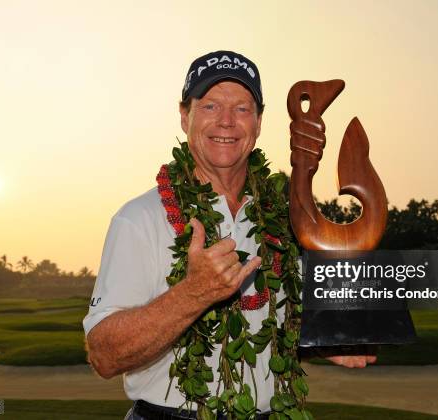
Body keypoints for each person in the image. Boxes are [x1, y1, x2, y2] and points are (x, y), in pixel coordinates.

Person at [83, 50, 376, 420]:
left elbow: (273, 325)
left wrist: (324, 342)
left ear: (258, 122)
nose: (226, 122)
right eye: (209, 107)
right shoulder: (140, 219)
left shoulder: (285, 218)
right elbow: (104, 355)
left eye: (241, 108)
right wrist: (192, 295)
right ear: (185, 115)